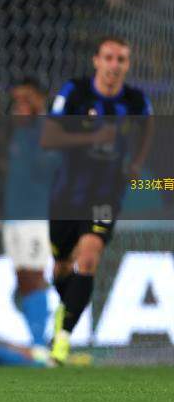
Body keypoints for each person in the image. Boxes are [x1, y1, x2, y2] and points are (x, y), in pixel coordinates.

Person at [41, 36, 154, 364]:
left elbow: (148, 129)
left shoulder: (135, 101)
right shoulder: (75, 93)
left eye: (121, 59)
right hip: (66, 194)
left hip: (106, 194)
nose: (114, 65)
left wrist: (136, 163)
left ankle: (62, 340)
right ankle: (65, 313)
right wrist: (92, 136)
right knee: (62, 266)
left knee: (88, 257)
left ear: (127, 65)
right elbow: (49, 138)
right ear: (96, 61)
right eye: (108, 58)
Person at [3, 78, 58, 349]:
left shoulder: (49, 130)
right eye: (17, 100)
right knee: (22, 277)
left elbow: (50, 168)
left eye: (26, 99)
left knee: (35, 276)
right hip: (14, 215)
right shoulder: (20, 132)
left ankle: (40, 345)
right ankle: (35, 341)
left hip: (37, 215)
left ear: (40, 98)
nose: (20, 105)